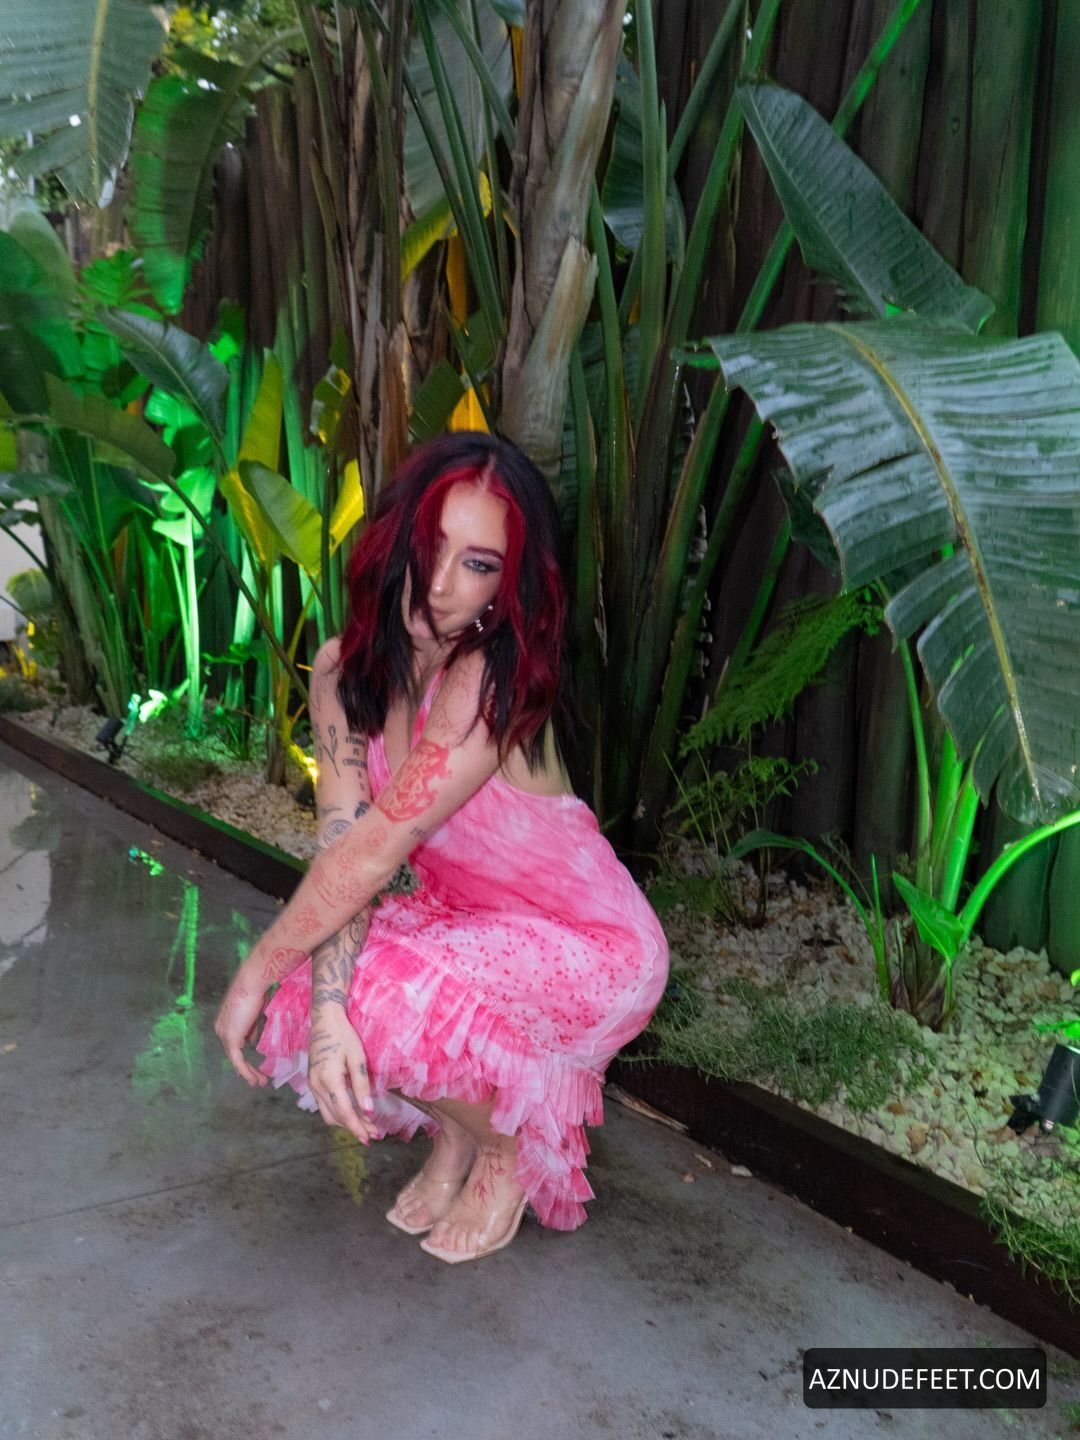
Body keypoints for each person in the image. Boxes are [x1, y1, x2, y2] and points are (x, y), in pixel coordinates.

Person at [214, 432, 669, 1263]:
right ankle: (459, 1131)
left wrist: (253, 973)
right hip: (466, 920)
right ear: (395, 539)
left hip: (591, 946)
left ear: (508, 585)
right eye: (432, 546)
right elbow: (345, 845)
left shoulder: (488, 680)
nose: (440, 584)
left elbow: (376, 853)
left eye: (479, 564)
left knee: (362, 994)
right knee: (321, 988)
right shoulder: (342, 672)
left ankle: (505, 1145)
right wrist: (320, 1005)